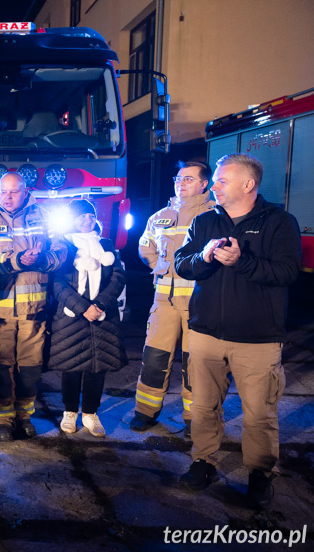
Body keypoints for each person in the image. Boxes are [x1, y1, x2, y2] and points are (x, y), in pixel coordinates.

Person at [175, 153, 301, 509]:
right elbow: (182, 264)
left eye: (221, 181)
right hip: (205, 334)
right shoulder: (204, 222)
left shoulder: (279, 222)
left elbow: (288, 272)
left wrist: (240, 261)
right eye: (214, 180)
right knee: (202, 407)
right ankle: (203, 463)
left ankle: (260, 475)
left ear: (248, 185)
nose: (213, 186)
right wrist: (205, 257)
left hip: (258, 340)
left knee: (259, 414)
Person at [0, 172, 67, 443]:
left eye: (14, 192)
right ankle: (1, 421)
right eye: (4, 192)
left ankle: (24, 416)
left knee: (30, 366)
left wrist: (42, 259)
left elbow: (61, 252)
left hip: (33, 309)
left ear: (26, 192)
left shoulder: (45, 217)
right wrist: (17, 260)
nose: (8, 197)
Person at [131, 161, 215, 436]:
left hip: (200, 303)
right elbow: (146, 246)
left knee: (197, 363)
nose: (181, 183)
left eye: (189, 179)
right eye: (179, 178)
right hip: (163, 301)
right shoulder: (160, 216)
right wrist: (160, 267)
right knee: (154, 358)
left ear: (204, 184)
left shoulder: (215, 215)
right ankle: (145, 411)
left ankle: (195, 418)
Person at [48, 200, 126, 437]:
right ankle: (70, 412)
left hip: (102, 314)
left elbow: (118, 276)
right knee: (71, 366)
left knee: (96, 366)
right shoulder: (63, 245)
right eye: (81, 216)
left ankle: (91, 414)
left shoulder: (105, 244)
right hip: (72, 315)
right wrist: (83, 307)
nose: (86, 221)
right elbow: (58, 283)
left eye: (90, 217)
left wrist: (100, 304)